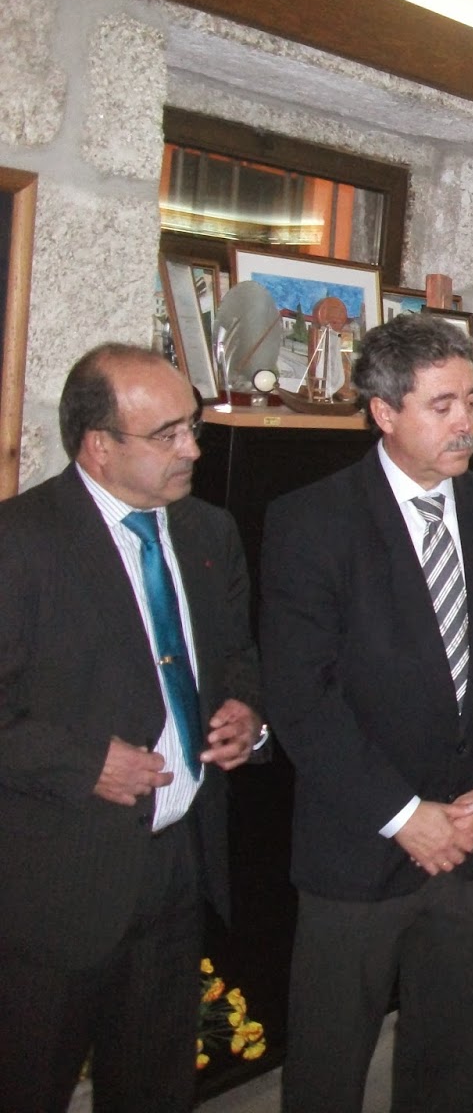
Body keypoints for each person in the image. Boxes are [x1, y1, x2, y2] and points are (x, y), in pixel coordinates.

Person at [260, 316, 473, 1113]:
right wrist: (403, 815)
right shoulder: (311, 521)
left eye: (472, 400)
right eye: (442, 405)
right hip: (359, 846)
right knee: (327, 1071)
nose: (466, 423)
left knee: (449, 1068)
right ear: (384, 413)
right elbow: (302, 696)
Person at [0, 343, 263, 1112]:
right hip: (56, 881)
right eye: (167, 434)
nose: (193, 449)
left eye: (192, 426)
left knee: (153, 1088)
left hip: (177, 865)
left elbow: (238, 657)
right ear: (99, 446)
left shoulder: (209, 533)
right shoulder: (20, 544)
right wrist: (84, 761)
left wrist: (247, 714)